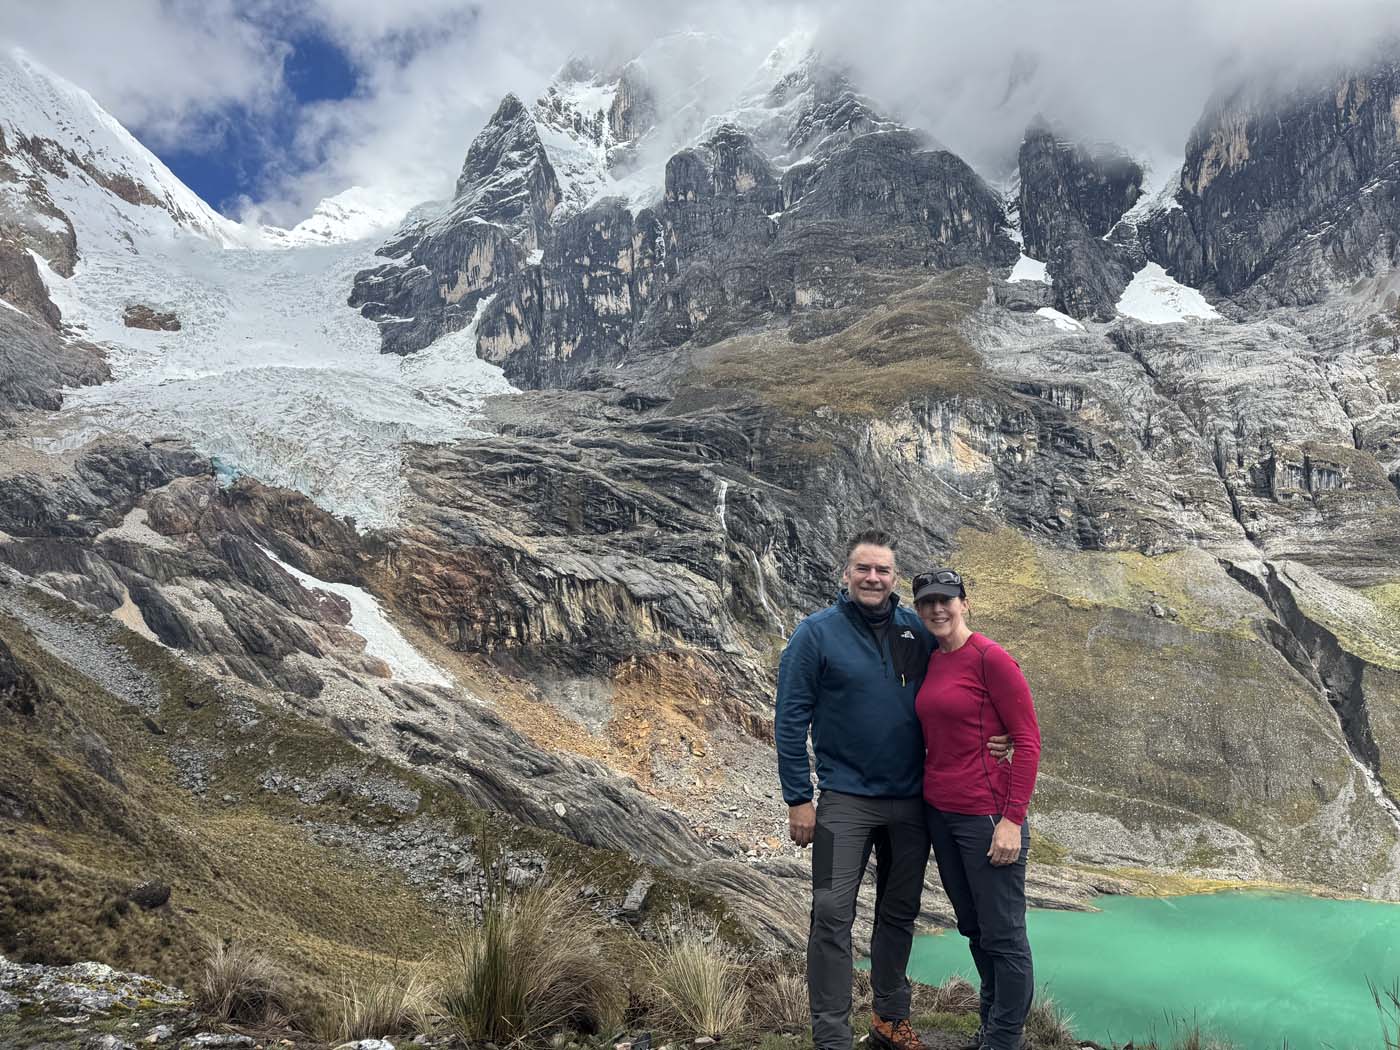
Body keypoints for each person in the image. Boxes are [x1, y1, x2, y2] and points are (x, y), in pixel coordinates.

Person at [776, 531, 1008, 1050]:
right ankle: (832, 1038)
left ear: (894, 577)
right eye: (863, 568)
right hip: (843, 799)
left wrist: (1006, 733)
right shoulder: (815, 634)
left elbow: (967, 674)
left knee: (898, 912)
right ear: (846, 574)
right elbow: (789, 718)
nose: (873, 578)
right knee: (831, 912)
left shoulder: (917, 629)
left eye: (882, 570)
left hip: (911, 800)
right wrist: (798, 797)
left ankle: (889, 1020)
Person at [911, 568, 1041, 1050]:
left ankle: (1004, 1040)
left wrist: (1012, 820)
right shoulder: (933, 658)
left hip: (986, 816)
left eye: (946, 600)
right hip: (941, 814)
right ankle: (991, 1029)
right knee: (973, 928)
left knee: (1003, 935)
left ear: (964, 603)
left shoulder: (991, 659)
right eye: (928, 602)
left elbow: (1028, 741)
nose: (937, 609)